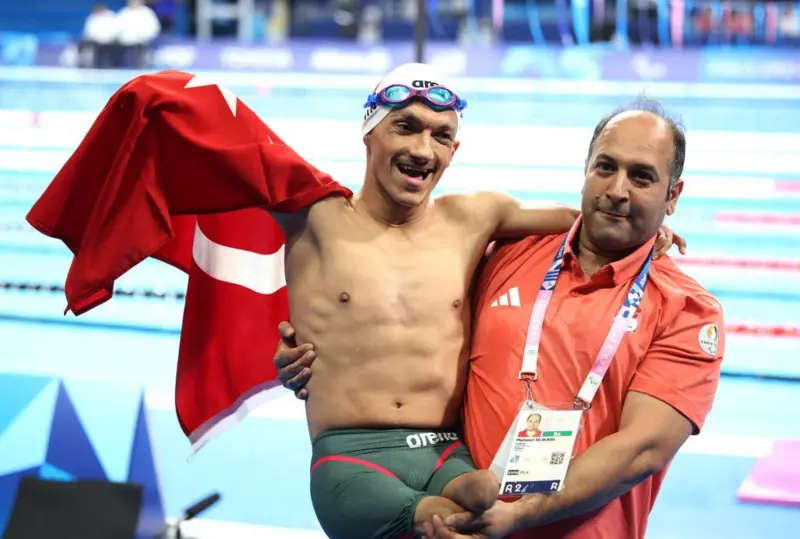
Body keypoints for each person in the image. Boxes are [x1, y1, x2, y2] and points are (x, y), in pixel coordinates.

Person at [265, 63, 684, 539]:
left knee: (479, 498)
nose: (422, 149)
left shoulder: (474, 219)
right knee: (447, 517)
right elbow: (224, 165)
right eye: (405, 126)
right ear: (369, 131)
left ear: (454, 150)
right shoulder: (314, 218)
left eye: (441, 136)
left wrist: (648, 227)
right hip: (351, 453)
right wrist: (281, 352)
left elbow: (582, 219)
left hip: (446, 450)